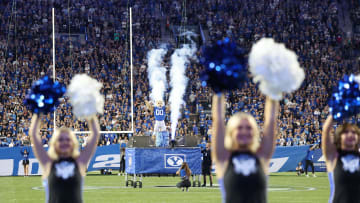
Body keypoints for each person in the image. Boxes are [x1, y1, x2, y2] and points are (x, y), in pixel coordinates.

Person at [212, 94, 278, 203]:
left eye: (249, 128)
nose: (244, 131)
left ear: (255, 132)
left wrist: (273, 92)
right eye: (239, 128)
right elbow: (218, 120)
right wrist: (219, 93)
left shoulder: (261, 156)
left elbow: (271, 120)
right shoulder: (223, 157)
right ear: (231, 132)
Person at [29, 114, 100, 203]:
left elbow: (95, 134)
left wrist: (89, 113)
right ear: (54, 143)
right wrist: (38, 112)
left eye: (68, 139)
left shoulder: (79, 162)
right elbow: (34, 135)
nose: (64, 142)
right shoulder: (48, 162)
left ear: (73, 143)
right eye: (60, 139)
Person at [322, 116, 360, 203]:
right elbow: (326, 130)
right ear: (338, 137)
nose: (350, 135)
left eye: (354, 132)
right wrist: (336, 111)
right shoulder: (333, 156)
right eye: (346, 132)